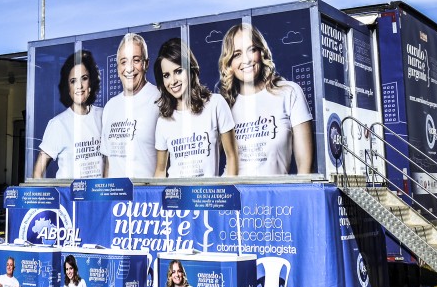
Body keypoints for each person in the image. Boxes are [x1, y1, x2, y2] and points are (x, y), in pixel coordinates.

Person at [218, 23, 314, 175]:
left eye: (252, 50)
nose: (247, 60)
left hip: (275, 195)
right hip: (234, 195)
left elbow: (305, 169)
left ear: (261, 52)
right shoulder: (224, 104)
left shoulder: (289, 92)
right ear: (229, 62)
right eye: (237, 54)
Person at [153, 38, 237, 178]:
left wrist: (223, 194)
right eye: (166, 75)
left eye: (178, 71)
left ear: (190, 69)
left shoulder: (215, 104)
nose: (173, 81)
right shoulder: (163, 121)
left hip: (208, 197)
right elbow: (160, 171)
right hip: (175, 198)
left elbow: (232, 157)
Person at [33, 50, 103, 179]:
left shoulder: (103, 116)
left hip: (99, 197)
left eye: (84, 78)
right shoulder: (58, 124)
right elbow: (38, 172)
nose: (79, 86)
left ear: (91, 83)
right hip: (70, 198)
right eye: (73, 81)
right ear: (68, 88)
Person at [101, 33, 161, 178]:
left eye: (136, 60)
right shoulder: (110, 107)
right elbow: (109, 163)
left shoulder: (160, 100)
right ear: (117, 67)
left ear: (145, 64)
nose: (129, 68)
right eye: (123, 62)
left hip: (147, 198)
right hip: (116, 199)